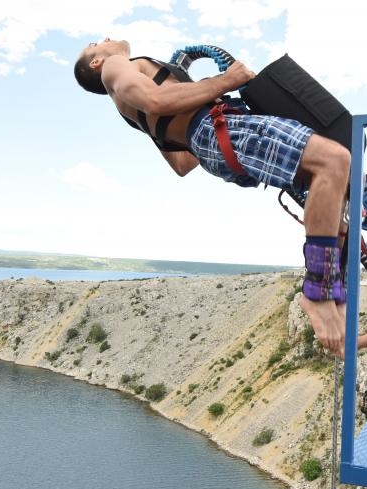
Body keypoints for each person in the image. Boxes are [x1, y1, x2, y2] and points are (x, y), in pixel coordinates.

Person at [74, 39, 351, 356]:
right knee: (333, 160)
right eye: (96, 44)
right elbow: (154, 99)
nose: (105, 40)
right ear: (96, 62)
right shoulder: (115, 65)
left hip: (211, 138)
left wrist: (205, 96)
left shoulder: (130, 105)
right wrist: (225, 81)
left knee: (332, 190)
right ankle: (318, 291)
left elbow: (181, 163)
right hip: (217, 129)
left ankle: (333, 290)